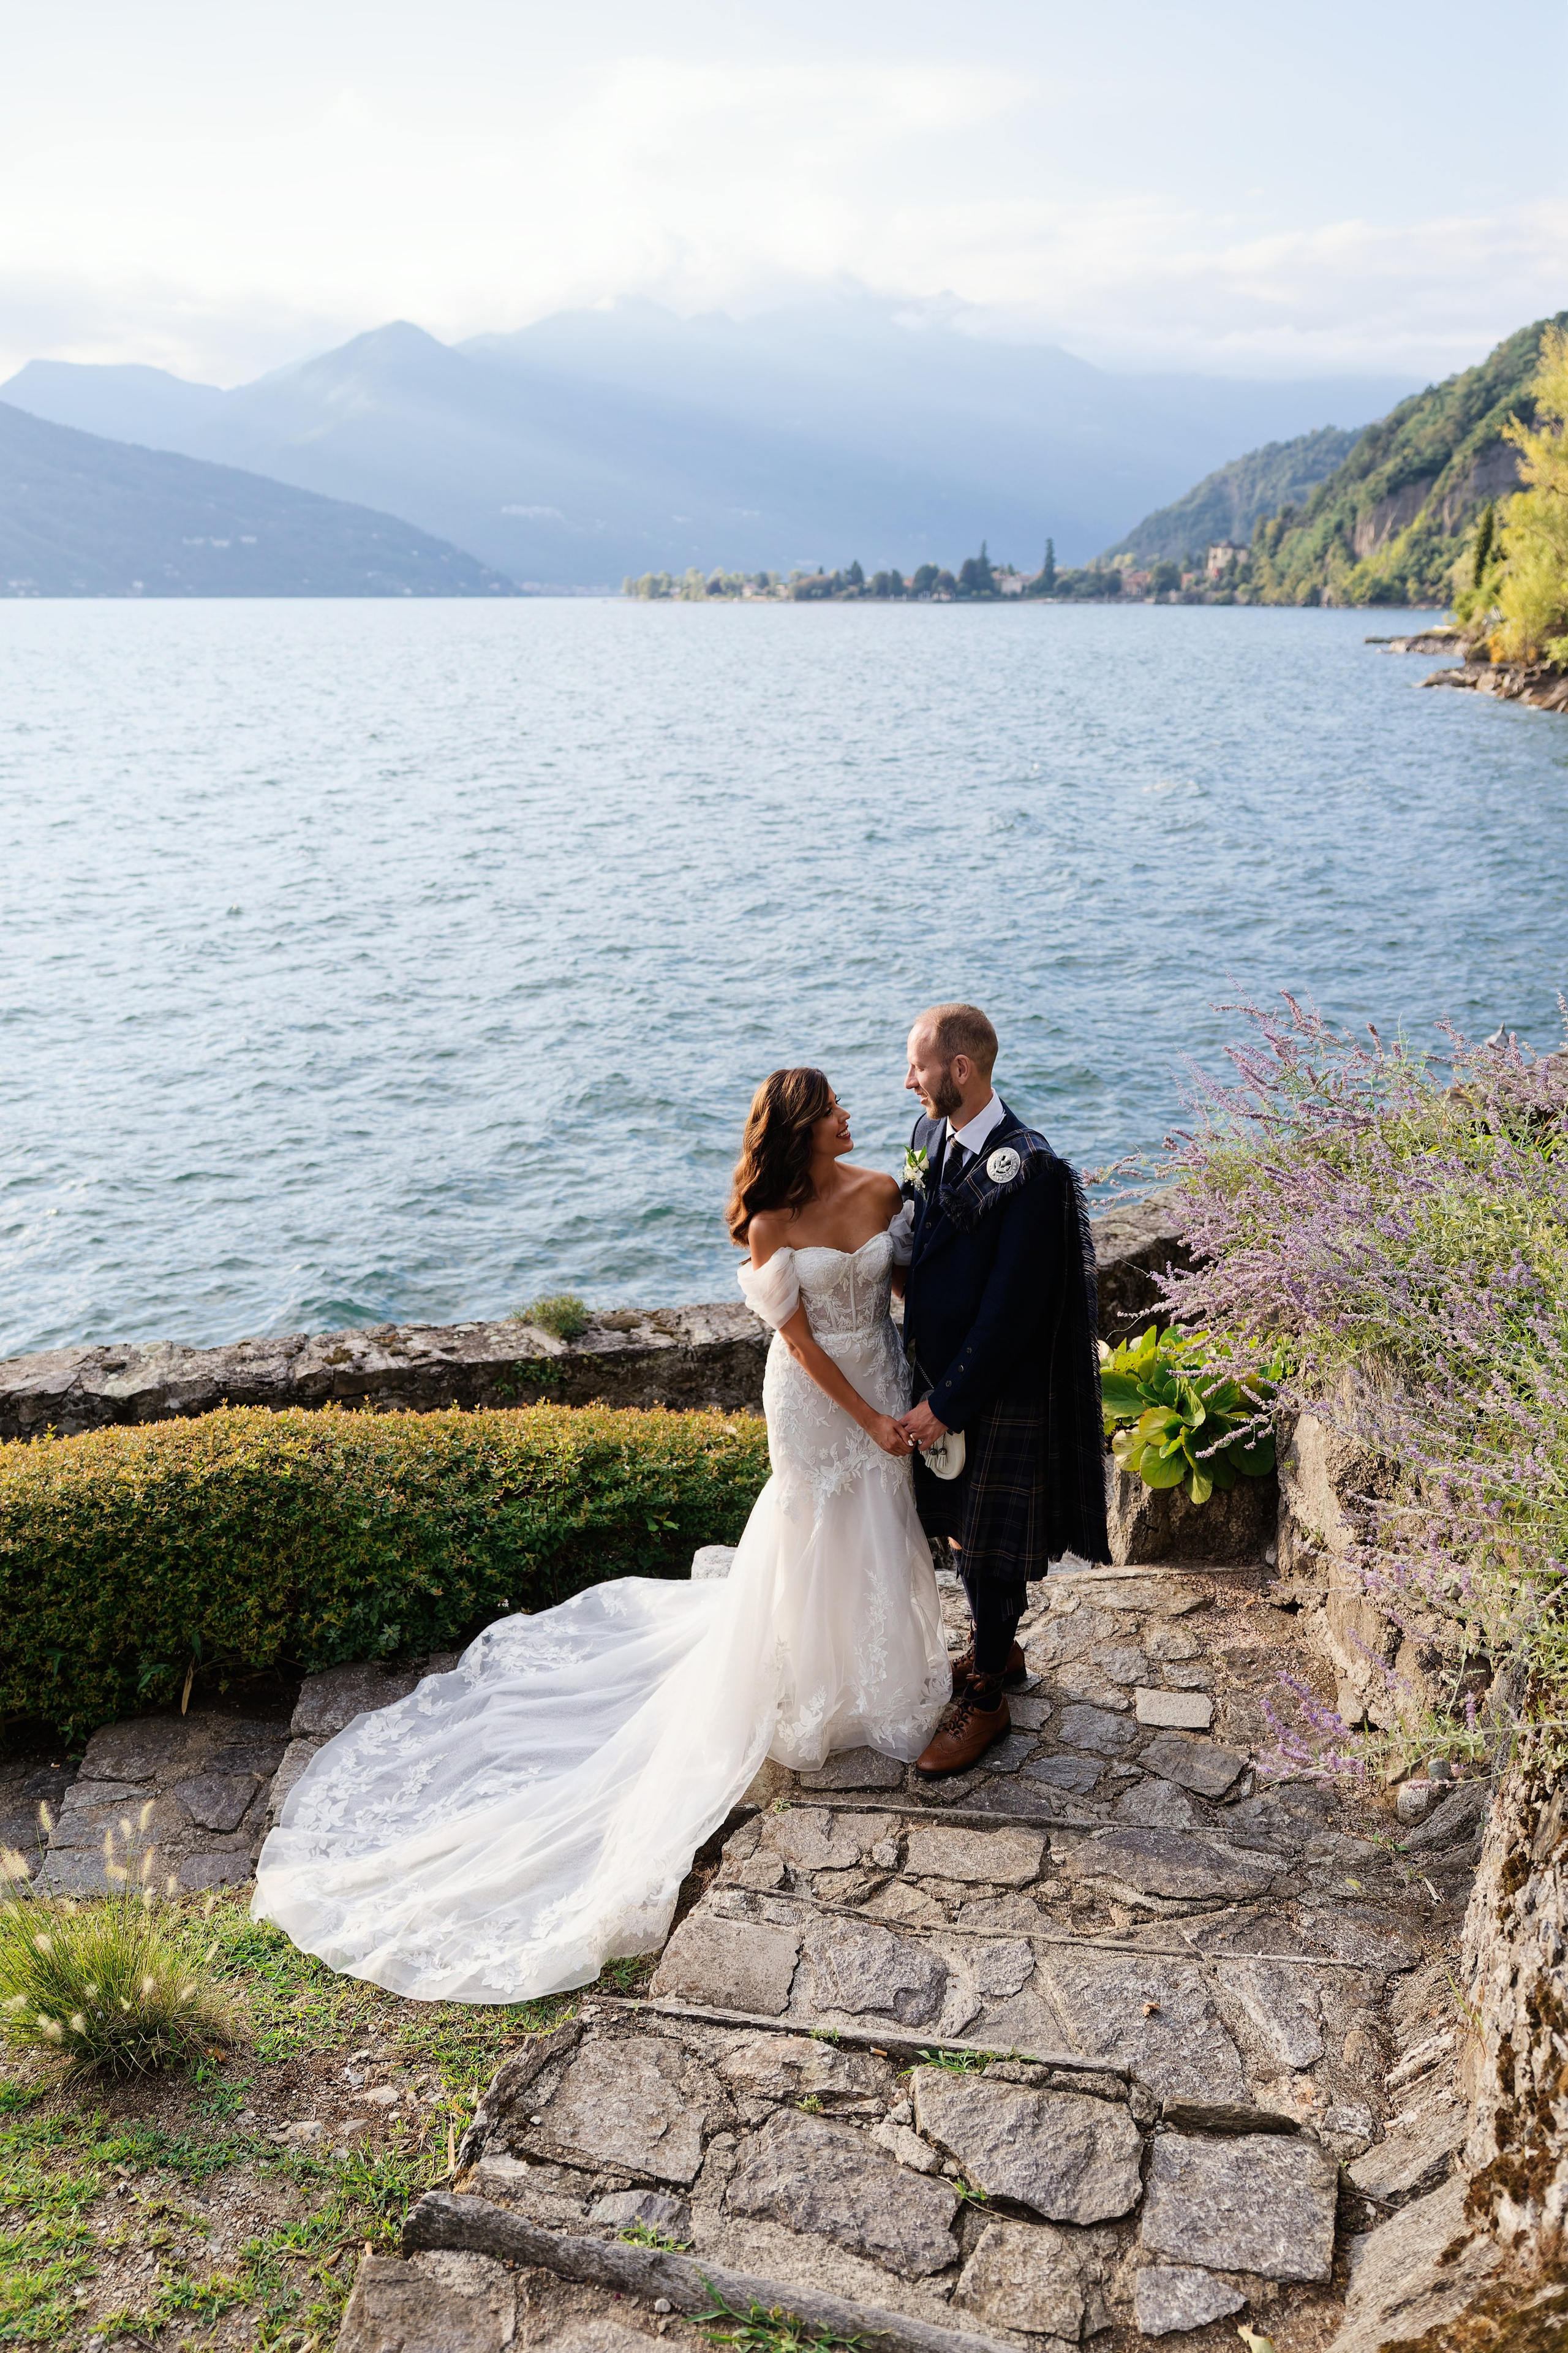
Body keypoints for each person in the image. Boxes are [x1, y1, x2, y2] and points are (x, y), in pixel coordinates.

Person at [251, 1065, 947, 2003]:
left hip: (887, 1378)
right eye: (831, 1109)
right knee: (813, 1529)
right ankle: (812, 1687)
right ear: (800, 1128)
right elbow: (800, 1343)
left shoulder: (883, 1191)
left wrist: (919, 1393)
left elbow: (906, 1289)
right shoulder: (771, 1224)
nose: (847, 1115)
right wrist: (866, 1418)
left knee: (878, 1521)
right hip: (819, 1404)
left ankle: (873, 1678)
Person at [897, 1003, 1109, 1777]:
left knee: (988, 1547)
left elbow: (1013, 1310)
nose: (908, 1080)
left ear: (960, 1068)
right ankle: (998, 1648)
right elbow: (921, 1243)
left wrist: (946, 1403)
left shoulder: (1031, 1169)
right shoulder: (929, 1137)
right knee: (959, 1531)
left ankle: (986, 1700)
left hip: (998, 1386)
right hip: (938, 1373)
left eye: (918, 1065)